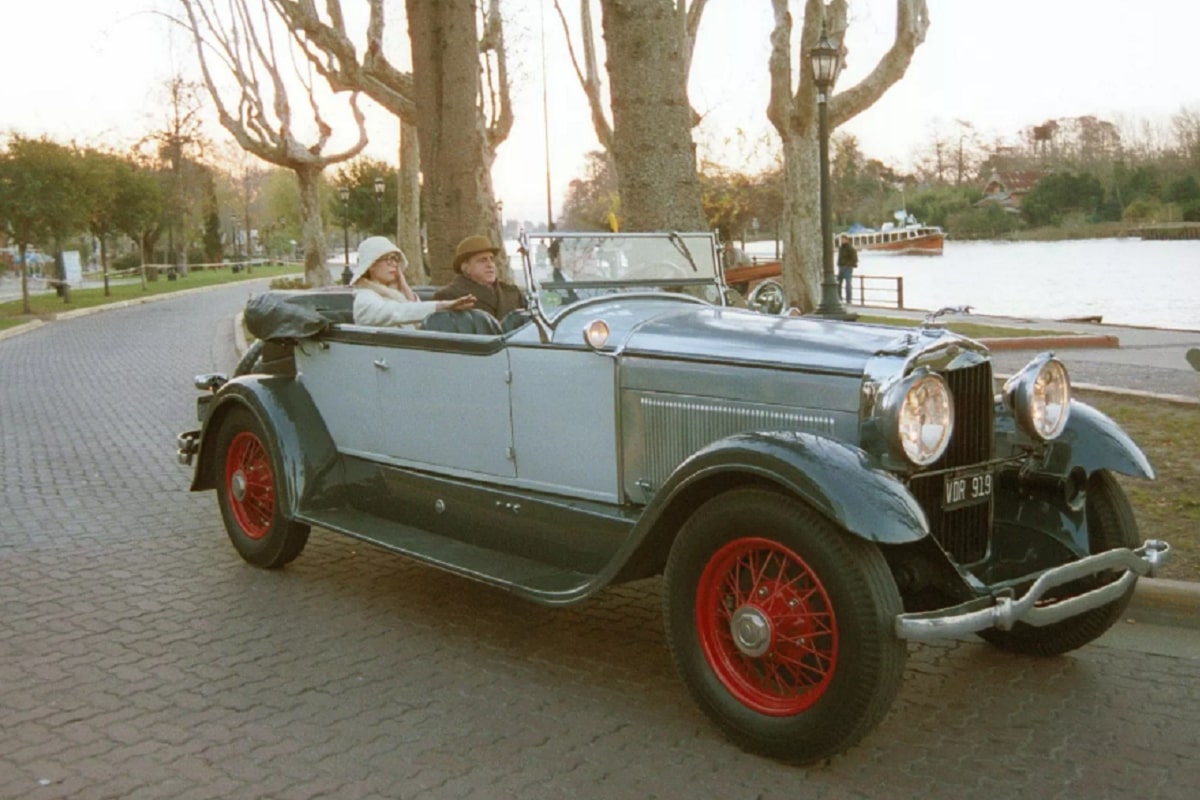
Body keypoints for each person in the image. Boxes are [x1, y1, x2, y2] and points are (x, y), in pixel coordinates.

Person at [351, 236, 474, 327]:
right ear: (371, 265)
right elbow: (398, 312)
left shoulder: (397, 295)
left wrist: (406, 289)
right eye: (388, 259)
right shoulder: (364, 299)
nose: (394, 264)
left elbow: (419, 321)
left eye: (396, 259)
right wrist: (442, 305)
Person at [434, 234, 527, 320]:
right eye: (482, 260)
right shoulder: (450, 297)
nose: (490, 264)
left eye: (491, 259)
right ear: (466, 267)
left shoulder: (512, 293)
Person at [836, 235, 858, 305]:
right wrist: (839, 265)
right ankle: (839, 298)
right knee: (838, 284)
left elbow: (854, 259)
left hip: (847, 268)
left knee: (848, 284)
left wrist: (848, 265)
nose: (842, 241)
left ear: (847, 240)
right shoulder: (841, 248)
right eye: (841, 239)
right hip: (841, 267)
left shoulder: (850, 248)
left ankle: (849, 300)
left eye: (843, 239)